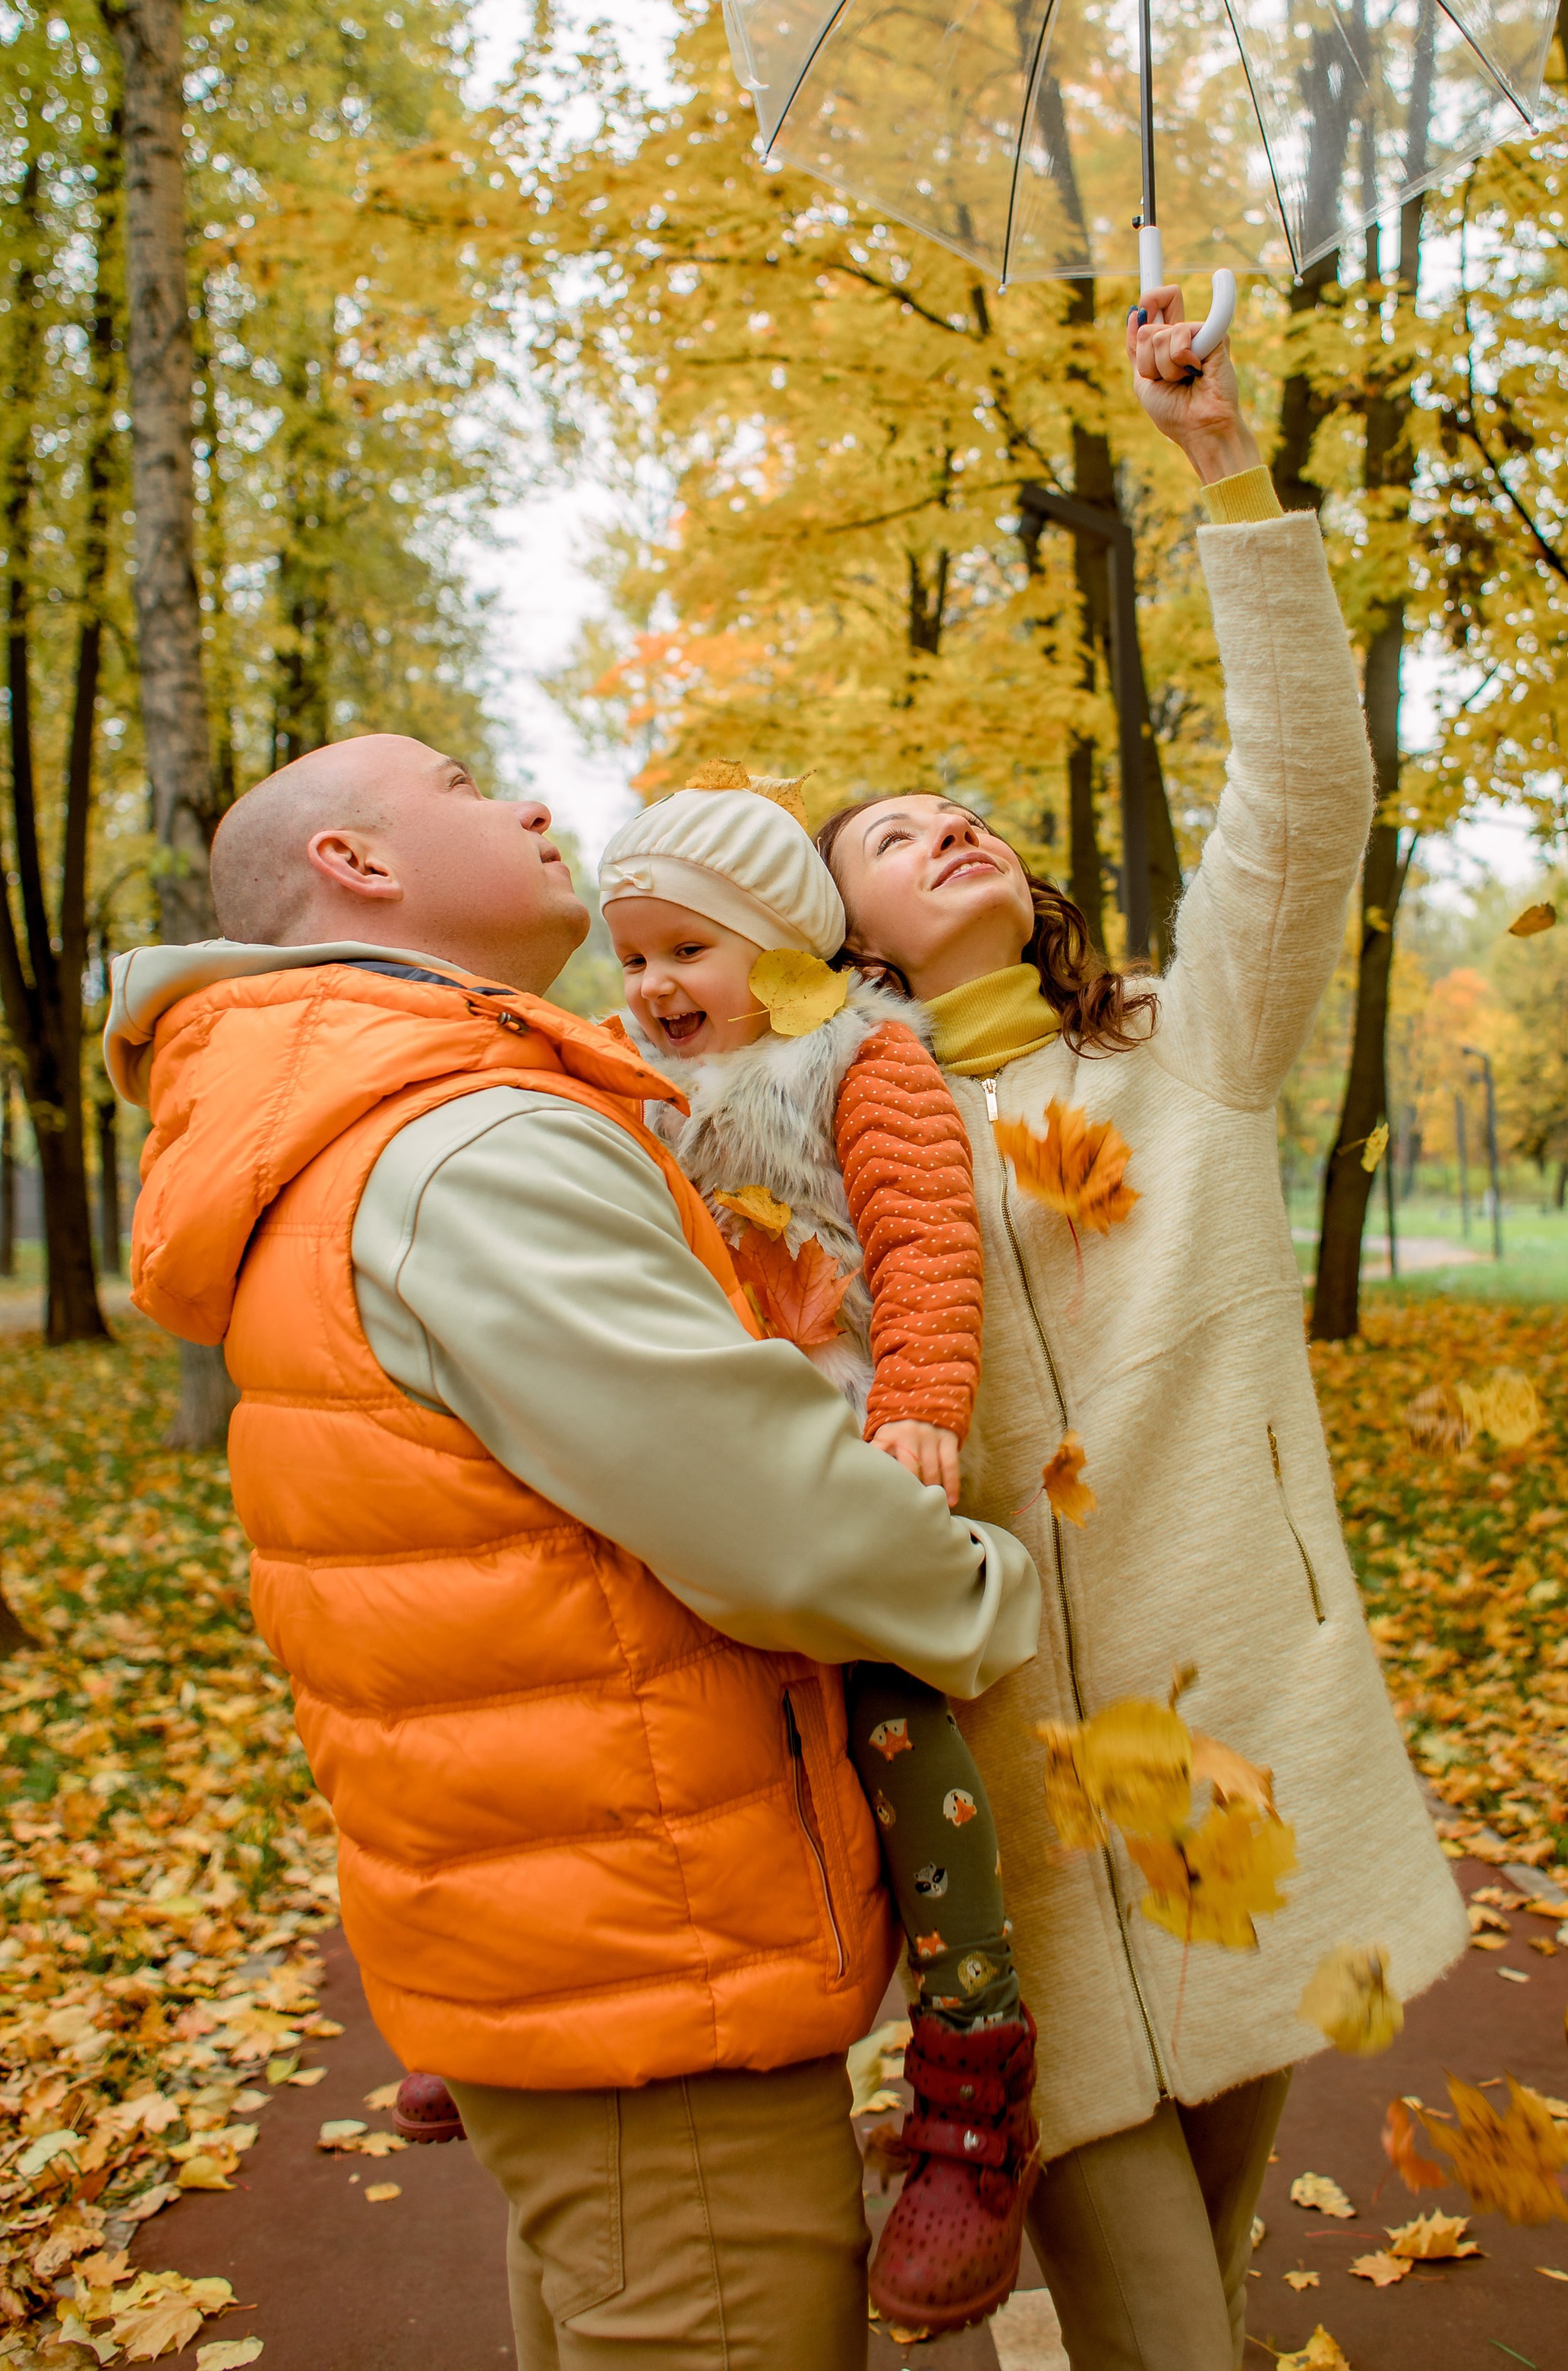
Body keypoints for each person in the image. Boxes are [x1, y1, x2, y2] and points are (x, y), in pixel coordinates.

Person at [103, 737, 1040, 2371]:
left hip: (561, 1947)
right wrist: (986, 1594)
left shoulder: (349, 1120)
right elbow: (770, 1518)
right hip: (656, 1967)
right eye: (469, 785)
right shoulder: (469, 1147)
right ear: (359, 864)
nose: (533, 804)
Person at [815, 286, 1469, 2371]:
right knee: (1169, 2324)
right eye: (900, 842)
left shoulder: (1193, 1060)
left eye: (961, 807)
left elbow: (1307, 797)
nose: (956, 826)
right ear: (848, 946)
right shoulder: (826, 1162)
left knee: (1215, 2261)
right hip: (1016, 1820)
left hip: (1253, 1753)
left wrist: (1225, 473)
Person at [596, 773, 1040, 2335]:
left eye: (685, 951)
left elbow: (921, 1233)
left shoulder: (861, 1053)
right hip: (694, 1446)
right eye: (629, 952)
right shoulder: (626, 1079)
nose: (651, 986)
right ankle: (557, 1992)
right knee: (647, 1710)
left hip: (846, 1433)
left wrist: (921, 1402)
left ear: (780, 943)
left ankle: (971, 2069)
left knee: (895, 1722)